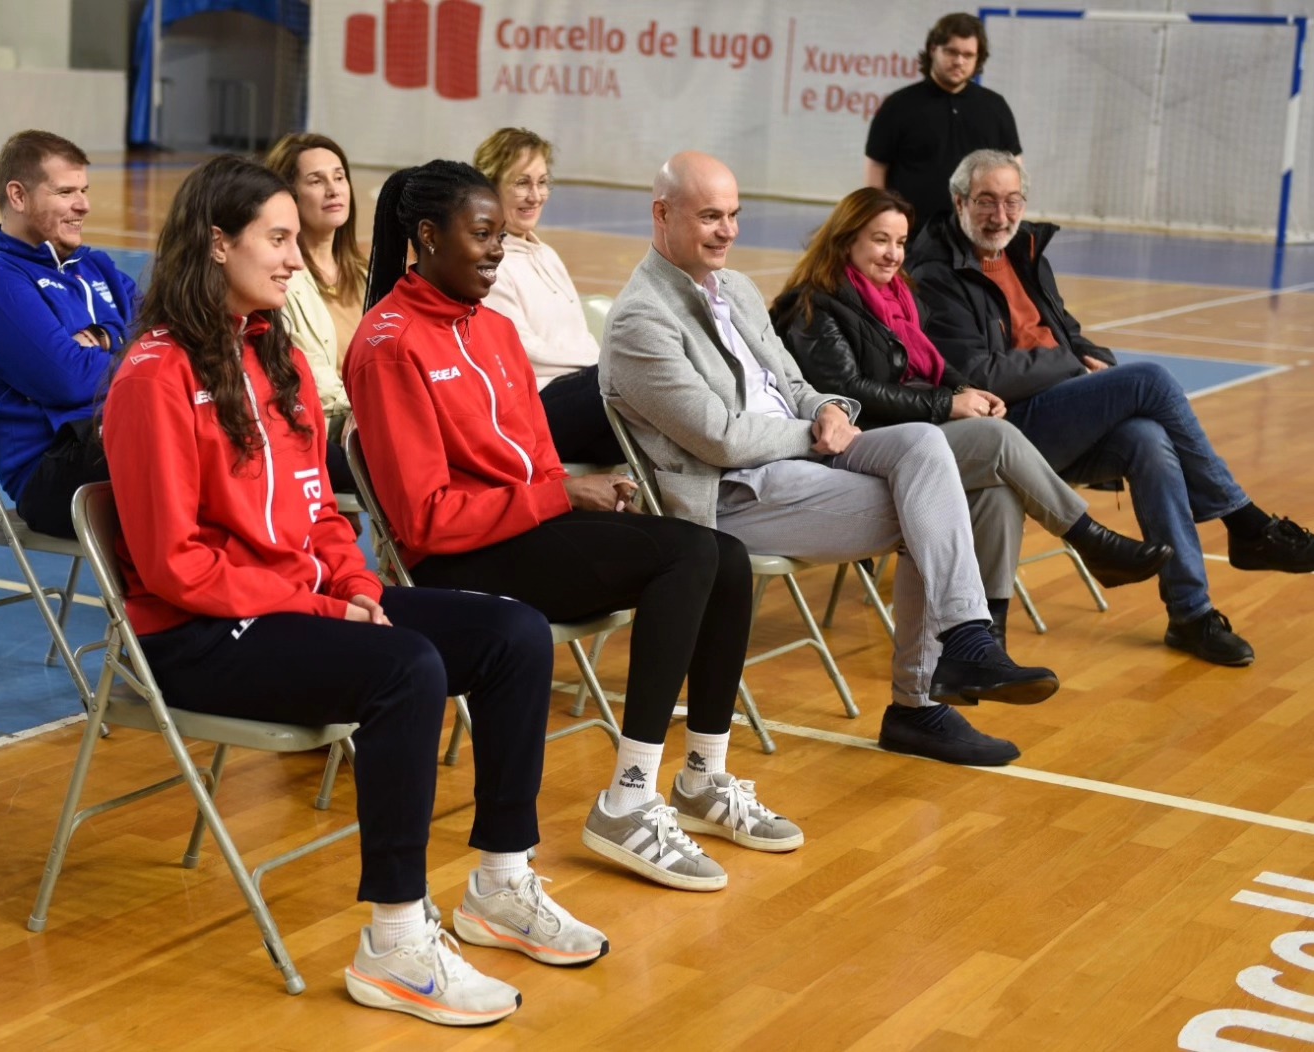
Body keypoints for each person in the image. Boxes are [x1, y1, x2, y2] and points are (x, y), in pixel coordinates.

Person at [101, 154, 608, 1028]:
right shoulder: (155, 375)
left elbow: (321, 512)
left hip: (294, 602)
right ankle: (395, 944)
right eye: (277, 239)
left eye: (294, 239)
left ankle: (500, 884)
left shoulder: (281, 358)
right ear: (217, 244)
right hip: (194, 634)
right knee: (404, 669)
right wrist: (324, 606)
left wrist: (355, 581)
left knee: (513, 635)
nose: (293, 257)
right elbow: (176, 566)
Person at [345, 159, 794, 894]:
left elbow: (539, 461)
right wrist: (559, 497)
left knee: (726, 557)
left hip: (525, 532)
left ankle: (702, 776)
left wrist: (581, 494)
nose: (497, 250)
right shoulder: (389, 345)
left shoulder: (493, 329)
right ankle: (628, 800)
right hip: (460, 559)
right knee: (685, 556)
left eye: (500, 235)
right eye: (482, 234)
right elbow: (425, 523)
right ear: (426, 236)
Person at [601, 151, 1059, 770]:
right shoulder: (640, 320)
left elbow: (793, 385)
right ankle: (921, 701)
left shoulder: (736, 288)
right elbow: (720, 440)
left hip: (800, 458)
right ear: (661, 214)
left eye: (734, 215)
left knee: (924, 447)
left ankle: (965, 642)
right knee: (931, 509)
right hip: (732, 493)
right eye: (711, 217)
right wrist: (811, 434)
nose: (728, 231)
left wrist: (829, 410)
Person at [907, 149, 1314, 666]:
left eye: (1012, 201)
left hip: (1057, 416)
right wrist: (1071, 365)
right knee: (1151, 379)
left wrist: (1092, 358)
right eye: (986, 201)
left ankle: (1191, 615)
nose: (1001, 215)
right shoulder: (936, 273)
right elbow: (979, 375)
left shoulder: (1026, 252)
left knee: (1149, 439)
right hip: (1005, 432)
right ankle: (1246, 523)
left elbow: (1069, 335)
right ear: (960, 202)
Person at [770, 187, 1171, 645]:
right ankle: (1088, 538)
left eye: (900, 242)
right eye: (881, 240)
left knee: (998, 490)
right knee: (997, 438)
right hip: (862, 447)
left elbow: (932, 364)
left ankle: (985, 639)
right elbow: (850, 391)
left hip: (913, 434)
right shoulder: (814, 305)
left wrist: (966, 389)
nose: (894, 254)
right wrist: (947, 405)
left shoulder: (898, 296)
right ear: (846, 241)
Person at [0, 129, 139, 537]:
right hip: (54, 470)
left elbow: (166, 333)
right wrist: (144, 359)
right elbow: (71, 379)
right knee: (192, 447)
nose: (84, 205)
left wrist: (106, 337)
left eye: (84, 190)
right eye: (66, 192)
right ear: (18, 196)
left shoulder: (96, 267)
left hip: (116, 430)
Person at [473, 127, 622, 464]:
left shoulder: (547, 255)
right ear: (490, 188)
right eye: (522, 183)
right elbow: (520, 353)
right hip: (534, 407)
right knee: (631, 379)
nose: (535, 195)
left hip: (586, 390)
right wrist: (600, 368)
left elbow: (578, 337)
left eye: (542, 182)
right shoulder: (488, 263)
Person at [264, 132, 366, 491]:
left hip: (371, 422)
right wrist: (372, 408)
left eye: (339, 177)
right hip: (327, 431)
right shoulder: (279, 281)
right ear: (289, 196)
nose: (333, 189)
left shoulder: (367, 276)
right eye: (316, 181)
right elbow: (305, 377)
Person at [865, 12, 1020, 237]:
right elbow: (876, 169)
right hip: (911, 237)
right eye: (951, 52)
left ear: (978, 59)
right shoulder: (897, 106)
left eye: (968, 55)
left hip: (976, 237)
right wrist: (880, 221)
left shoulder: (996, 107)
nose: (959, 61)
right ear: (933, 50)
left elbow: (1015, 170)